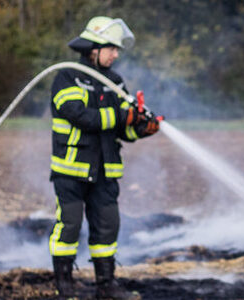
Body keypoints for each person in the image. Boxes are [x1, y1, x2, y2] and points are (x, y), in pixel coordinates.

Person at [48, 16, 161, 299]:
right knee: (70, 226)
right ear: (93, 48)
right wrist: (124, 115)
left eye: (117, 49)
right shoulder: (67, 76)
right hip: (71, 170)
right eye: (111, 48)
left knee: (108, 225)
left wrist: (141, 128)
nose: (116, 53)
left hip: (105, 172)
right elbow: (80, 116)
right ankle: (65, 287)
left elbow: (121, 131)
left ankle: (106, 286)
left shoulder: (115, 81)